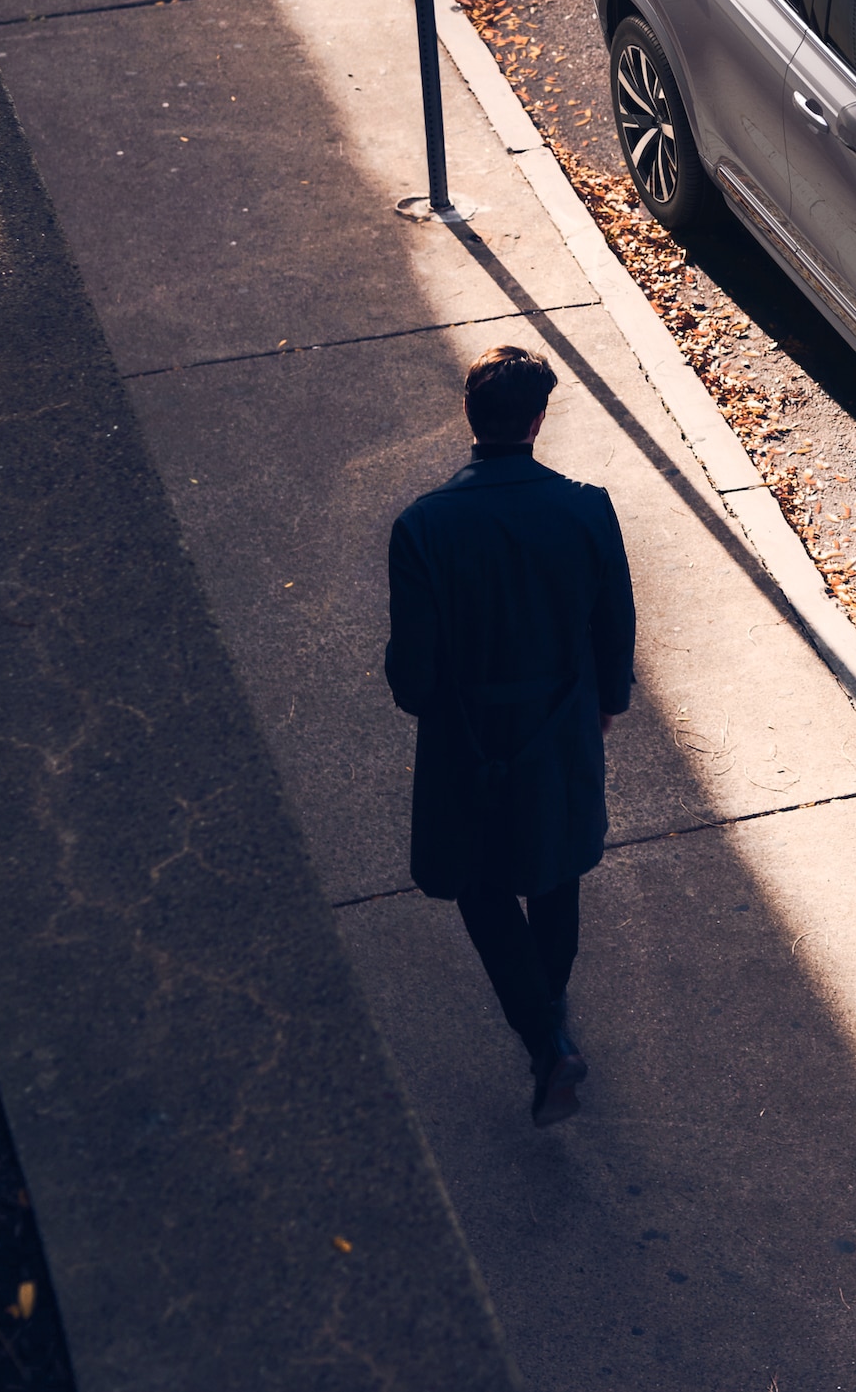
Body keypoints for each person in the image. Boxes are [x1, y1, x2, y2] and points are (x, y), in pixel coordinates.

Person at [383, 344, 636, 1126]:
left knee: (480, 881)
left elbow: (412, 677)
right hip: (558, 730)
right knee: (555, 873)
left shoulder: (423, 526)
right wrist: (605, 704)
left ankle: (544, 1032)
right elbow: (614, 627)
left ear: (471, 416)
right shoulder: (587, 508)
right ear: (537, 420)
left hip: (469, 738)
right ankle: (549, 1008)